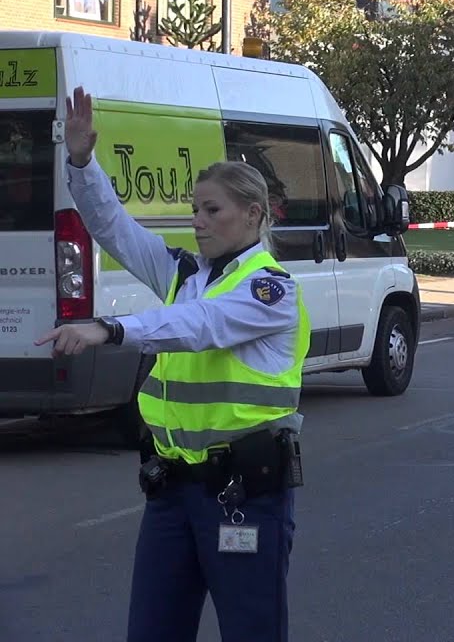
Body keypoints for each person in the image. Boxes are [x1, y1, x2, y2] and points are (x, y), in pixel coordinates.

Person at [35, 87, 309, 642]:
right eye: (194, 210)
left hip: (241, 494)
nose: (198, 221)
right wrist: (82, 163)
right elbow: (114, 228)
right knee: (153, 630)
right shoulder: (185, 275)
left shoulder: (270, 290)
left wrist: (111, 328)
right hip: (172, 493)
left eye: (212, 210)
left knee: (251, 631)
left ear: (253, 214)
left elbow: (200, 325)